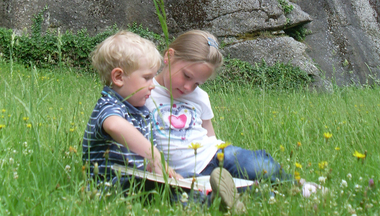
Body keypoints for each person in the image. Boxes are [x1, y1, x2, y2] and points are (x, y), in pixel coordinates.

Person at [82, 30, 244, 211]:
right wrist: (155, 157)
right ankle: (215, 203)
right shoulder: (109, 105)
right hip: (111, 185)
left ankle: (221, 197)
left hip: (137, 179)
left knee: (184, 181)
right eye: (146, 78)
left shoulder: (138, 108)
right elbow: (115, 125)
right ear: (118, 77)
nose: (153, 84)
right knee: (171, 191)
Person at [146, 30, 318, 196]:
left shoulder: (199, 97)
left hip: (215, 155)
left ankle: (294, 185)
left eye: (197, 83)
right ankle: (265, 194)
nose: (188, 87)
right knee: (206, 192)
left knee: (254, 165)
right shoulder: (145, 92)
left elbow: (209, 136)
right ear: (169, 56)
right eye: (187, 76)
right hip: (183, 172)